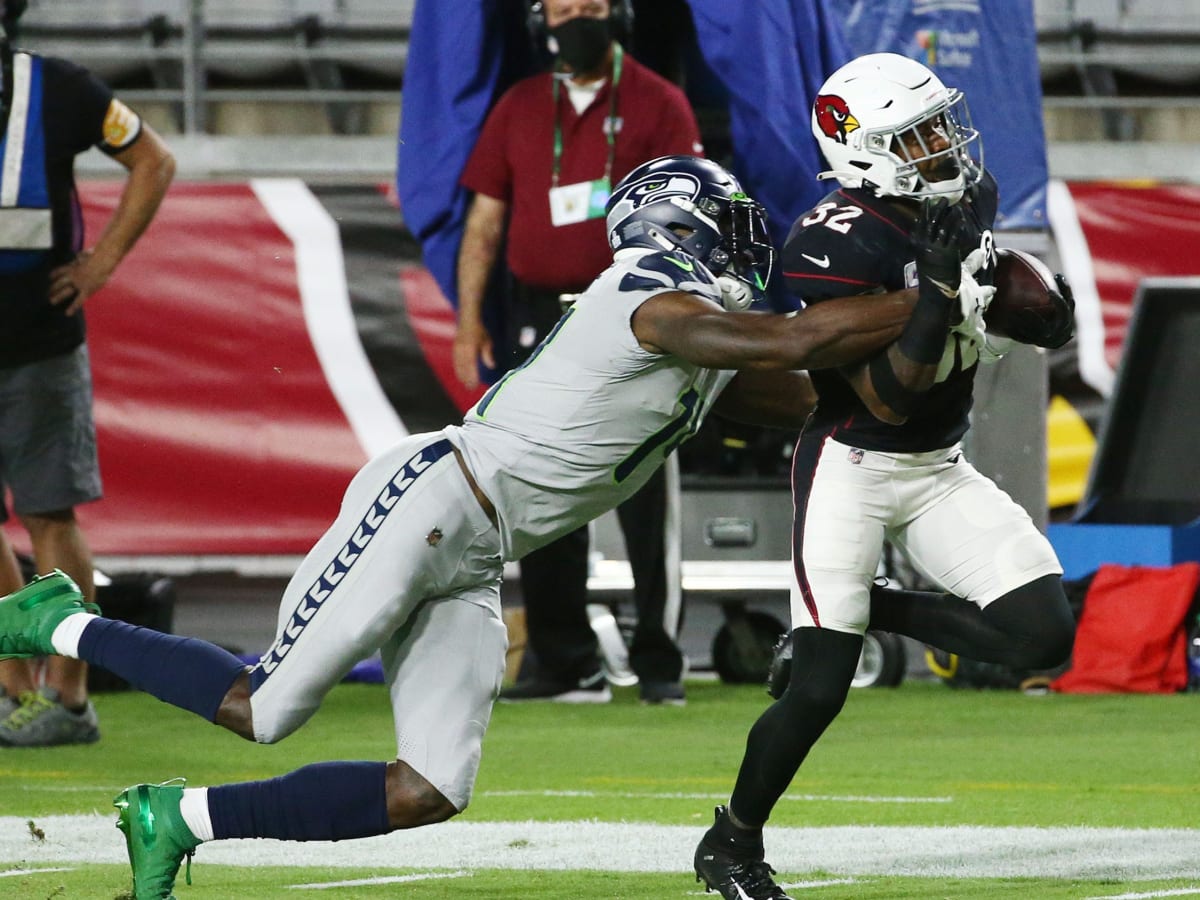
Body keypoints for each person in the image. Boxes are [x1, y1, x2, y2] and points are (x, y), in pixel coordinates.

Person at [0, 154, 919, 899]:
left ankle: (178, 819)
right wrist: (928, 302)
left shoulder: (707, 334)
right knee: (262, 706)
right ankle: (59, 619)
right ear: (683, 224)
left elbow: (821, 398)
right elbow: (793, 344)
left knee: (428, 789)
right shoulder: (646, 288)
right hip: (434, 500)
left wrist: (941, 352)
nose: (748, 242)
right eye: (727, 220)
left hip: (479, 553)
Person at [691, 54, 1078, 900]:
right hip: (854, 462)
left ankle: (870, 611)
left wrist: (1033, 304)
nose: (945, 144)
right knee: (819, 691)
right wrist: (939, 291)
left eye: (942, 123)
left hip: (939, 466)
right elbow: (891, 398)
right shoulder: (833, 242)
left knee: (1043, 636)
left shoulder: (960, 198)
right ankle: (731, 843)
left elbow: (1045, 324)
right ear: (863, 148)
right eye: (920, 134)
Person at [454, 0, 704, 704]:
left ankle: (660, 664)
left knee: (648, 491)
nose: (578, 19)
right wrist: (469, 319)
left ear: (618, 14)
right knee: (538, 484)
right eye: (566, 7)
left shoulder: (659, 101)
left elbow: (687, 212)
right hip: (541, 321)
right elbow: (486, 220)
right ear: (541, 20)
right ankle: (566, 661)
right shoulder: (521, 104)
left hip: (633, 315)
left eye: (591, 6)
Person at [0, 0, 175, 747]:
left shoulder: (61, 88)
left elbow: (153, 159)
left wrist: (101, 263)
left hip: (39, 339)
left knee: (48, 516)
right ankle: (15, 685)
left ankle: (69, 698)